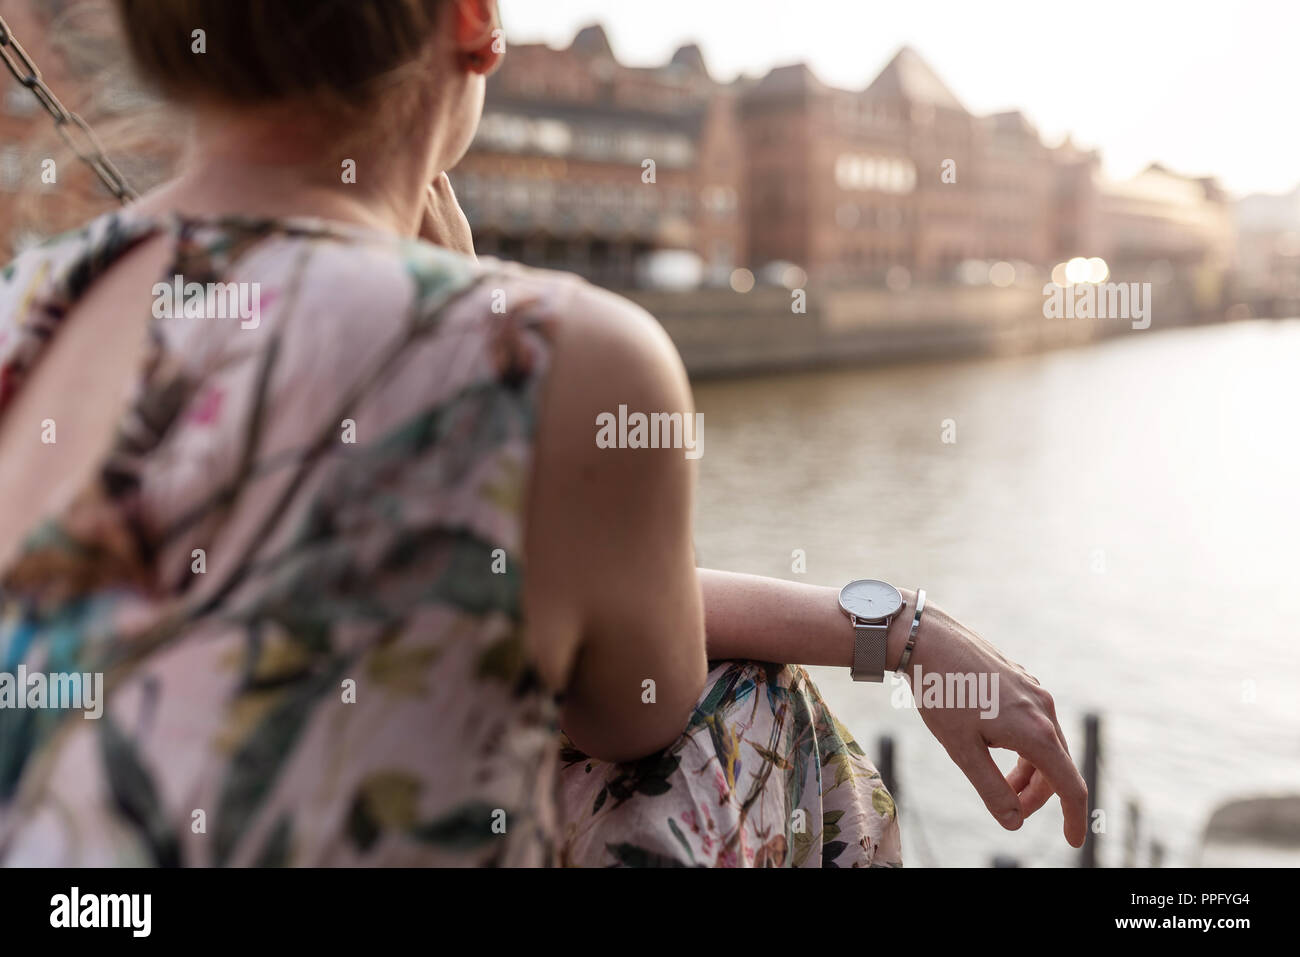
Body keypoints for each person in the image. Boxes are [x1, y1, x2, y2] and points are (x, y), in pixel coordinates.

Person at [0, 0, 1085, 866]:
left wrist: (895, 630)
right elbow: (635, 705)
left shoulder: (23, 307)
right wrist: (899, 631)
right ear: (473, 25)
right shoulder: (557, 357)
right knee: (745, 713)